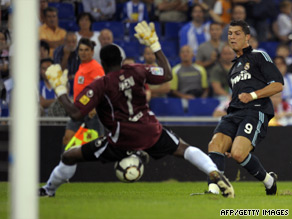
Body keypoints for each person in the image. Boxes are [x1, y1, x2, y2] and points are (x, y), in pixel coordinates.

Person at [39, 21, 234, 198]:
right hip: (150, 130)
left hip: (121, 138)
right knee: (185, 148)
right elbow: (167, 74)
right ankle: (213, 172)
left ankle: (48, 190)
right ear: (122, 60)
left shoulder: (100, 84)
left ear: (103, 63)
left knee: (69, 155)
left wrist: (60, 89)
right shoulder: (138, 70)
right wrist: (155, 45)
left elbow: (75, 113)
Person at [207, 20, 284, 196]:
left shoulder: (259, 56)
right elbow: (235, 97)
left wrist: (253, 95)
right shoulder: (233, 69)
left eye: (237, 33)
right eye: (230, 34)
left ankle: (269, 181)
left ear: (247, 37)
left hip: (255, 110)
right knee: (215, 145)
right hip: (233, 113)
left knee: (239, 154)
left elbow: (278, 85)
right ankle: (213, 191)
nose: (232, 37)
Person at [62, 38, 105, 148]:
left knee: (96, 143)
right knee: (68, 138)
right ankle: (66, 164)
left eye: (86, 50)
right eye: (81, 50)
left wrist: (95, 107)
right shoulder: (81, 66)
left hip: (92, 111)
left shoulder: (96, 68)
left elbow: (102, 88)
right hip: (78, 109)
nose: (83, 53)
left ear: (92, 52)